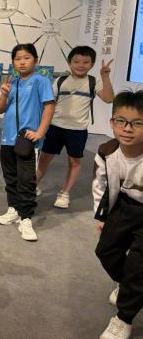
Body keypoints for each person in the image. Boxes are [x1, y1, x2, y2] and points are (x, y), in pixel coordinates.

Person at [37, 46, 114, 209]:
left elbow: (109, 98)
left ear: (92, 64)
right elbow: (49, 104)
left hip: (78, 130)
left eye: (86, 62)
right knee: (43, 159)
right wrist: (43, 126)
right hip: (55, 127)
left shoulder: (93, 81)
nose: (81, 65)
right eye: (76, 61)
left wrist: (105, 76)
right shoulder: (60, 80)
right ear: (69, 63)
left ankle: (65, 193)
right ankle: (32, 186)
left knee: (74, 161)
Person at [93, 91, 143, 339]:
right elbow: (100, 185)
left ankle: (124, 318)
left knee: (138, 266)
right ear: (112, 122)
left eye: (137, 123)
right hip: (122, 207)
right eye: (121, 121)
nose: (127, 128)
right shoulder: (106, 151)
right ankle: (128, 285)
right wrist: (101, 216)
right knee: (106, 251)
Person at [0, 43, 54, 242]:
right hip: (7, 139)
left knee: (26, 180)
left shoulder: (41, 81)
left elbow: (48, 107)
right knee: (10, 177)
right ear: (13, 62)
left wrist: (40, 132)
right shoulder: (13, 83)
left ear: (35, 60)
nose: (22, 62)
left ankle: (26, 218)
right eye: (18, 59)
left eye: (26, 58)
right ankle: (13, 209)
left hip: (27, 140)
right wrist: (4, 93)